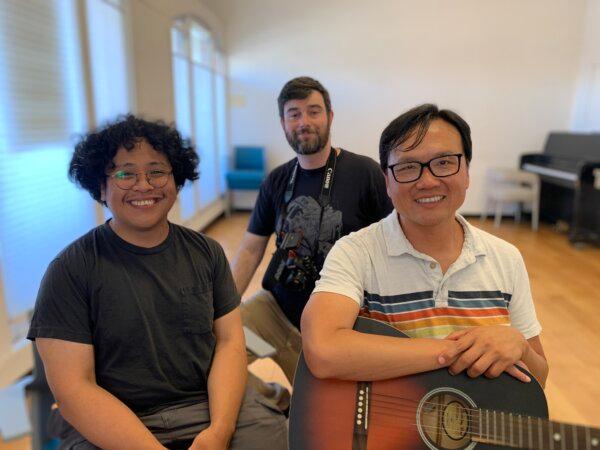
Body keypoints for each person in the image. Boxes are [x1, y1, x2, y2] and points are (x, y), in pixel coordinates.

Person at [27, 115, 287, 450]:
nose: (144, 185)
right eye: (125, 174)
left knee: (272, 432)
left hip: (206, 406)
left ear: (176, 182)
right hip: (114, 420)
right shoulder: (69, 270)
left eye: (157, 171)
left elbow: (230, 345)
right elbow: (75, 389)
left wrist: (219, 431)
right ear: (101, 187)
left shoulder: (207, 253)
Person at [301, 104, 549, 388]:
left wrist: (520, 347)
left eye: (444, 163)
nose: (428, 181)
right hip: (391, 430)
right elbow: (323, 349)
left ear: (467, 171)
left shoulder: (506, 258)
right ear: (387, 182)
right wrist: (455, 351)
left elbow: (538, 383)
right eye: (407, 168)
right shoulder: (356, 252)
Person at [231, 76, 392, 409]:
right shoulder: (276, 180)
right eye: (294, 114)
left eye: (313, 111)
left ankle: (304, 407)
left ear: (330, 117)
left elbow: (394, 245)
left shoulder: (365, 174)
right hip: (274, 318)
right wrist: (223, 308)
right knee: (215, 350)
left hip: (335, 331)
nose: (304, 122)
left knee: (330, 418)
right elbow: (249, 250)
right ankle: (278, 403)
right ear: (283, 123)